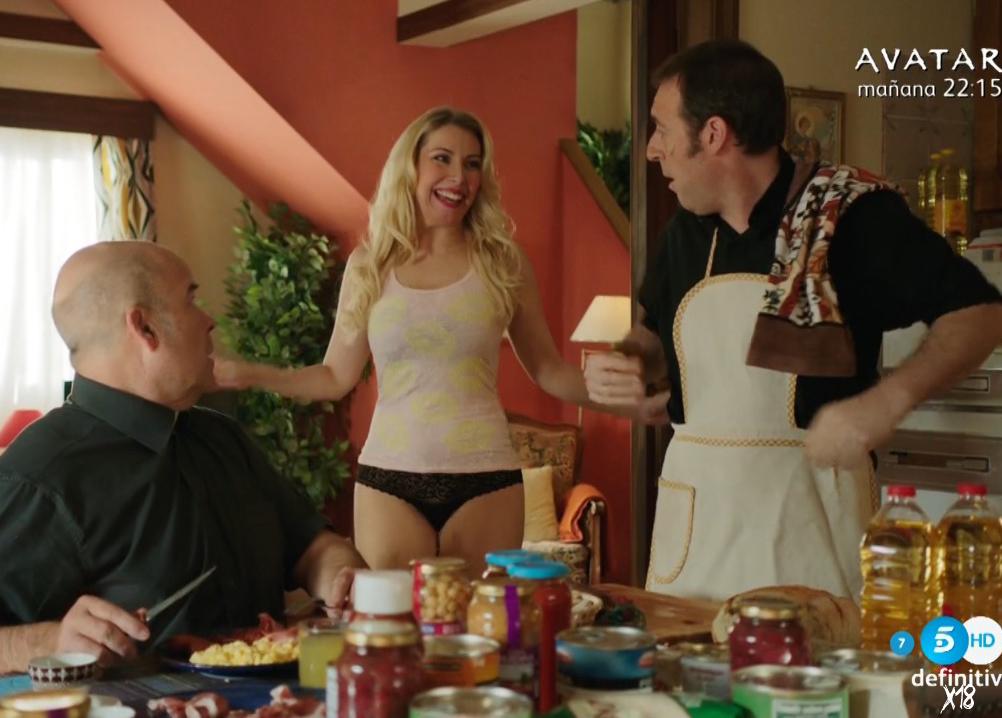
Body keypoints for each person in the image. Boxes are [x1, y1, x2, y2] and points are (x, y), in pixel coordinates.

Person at [585, 39, 1002, 602]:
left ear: (713, 134)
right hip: (696, 539)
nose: (650, 150)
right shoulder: (684, 231)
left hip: (812, 533)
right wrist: (627, 361)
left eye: (662, 129)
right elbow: (654, 338)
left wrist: (888, 400)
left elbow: (983, 313)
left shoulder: (850, 216)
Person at [214, 107, 599, 576]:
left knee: (478, 620)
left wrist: (628, 397)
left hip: (486, 479)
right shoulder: (370, 264)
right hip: (388, 481)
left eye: (472, 164)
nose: (459, 177)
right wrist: (250, 374)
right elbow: (334, 376)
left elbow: (548, 370)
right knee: (392, 616)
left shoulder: (503, 263)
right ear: (410, 166)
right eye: (442, 158)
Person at [0, 242, 366, 673]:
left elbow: (311, 548)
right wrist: (50, 640)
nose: (210, 320)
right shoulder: (40, 478)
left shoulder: (223, 437)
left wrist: (342, 577)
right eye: (191, 299)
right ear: (145, 327)